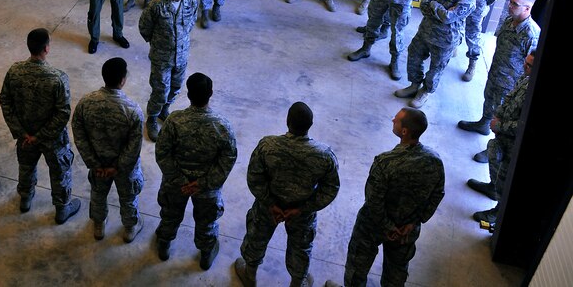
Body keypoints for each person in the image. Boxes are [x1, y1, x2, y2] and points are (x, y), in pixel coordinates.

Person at [326, 108, 444, 287]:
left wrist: (389, 226)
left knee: (357, 267)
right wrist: (415, 222)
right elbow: (437, 194)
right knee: (396, 271)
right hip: (407, 228)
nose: (392, 120)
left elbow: (373, 200)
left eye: (396, 120)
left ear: (404, 131)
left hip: (373, 226)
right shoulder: (434, 161)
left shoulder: (385, 162)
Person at [234, 102, 340, 287]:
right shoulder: (324, 155)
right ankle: (297, 283)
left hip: (269, 207)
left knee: (257, 235)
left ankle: (249, 274)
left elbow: (254, 178)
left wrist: (270, 203)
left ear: (287, 121)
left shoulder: (267, 146)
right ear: (311, 124)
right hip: (301, 212)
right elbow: (330, 188)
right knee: (300, 247)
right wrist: (302, 209)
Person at [155, 72, 237, 271]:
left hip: (176, 185)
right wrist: (203, 183)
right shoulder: (221, 125)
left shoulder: (174, 121)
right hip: (206, 189)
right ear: (211, 93)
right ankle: (206, 254)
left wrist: (180, 179)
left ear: (189, 94)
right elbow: (228, 159)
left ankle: (164, 244)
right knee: (206, 222)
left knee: (170, 214)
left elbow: (162, 152)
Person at [0, 28, 80, 224]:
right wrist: (42, 135)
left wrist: (22, 133)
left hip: (25, 136)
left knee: (26, 166)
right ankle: (62, 209)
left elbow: (5, 101)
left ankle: (26, 198)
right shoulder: (57, 78)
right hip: (52, 139)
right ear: (47, 48)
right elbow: (63, 113)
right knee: (60, 172)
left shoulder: (14, 72)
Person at [71, 57, 145, 242]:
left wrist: (94, 163)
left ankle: (99, 226)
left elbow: (79, 134)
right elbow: (134, 147)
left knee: (98, 194)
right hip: (124, 169)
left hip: (98, 166)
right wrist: (118, 167)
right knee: (128, 197)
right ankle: (129, 228)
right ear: (123, 80)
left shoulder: (85, 104)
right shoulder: (133, 110)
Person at [394, 0, 476, 108]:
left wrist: (435, 4)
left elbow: (448, 18)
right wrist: (440, 9)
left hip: (445, 40)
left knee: (436, 68)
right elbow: (424, 4)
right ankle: (414, 85)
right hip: (425, 31)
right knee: (414, 56)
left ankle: (425, 91)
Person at [458, 0, 539, 138]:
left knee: (503, 114)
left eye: (515, 4)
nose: (510, 6)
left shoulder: (531, 33)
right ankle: (483, 124)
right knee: (488, 100)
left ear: (527, 8)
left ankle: (494, 145)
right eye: (510, 2)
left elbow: (532, 65)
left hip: (510, 83)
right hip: (496, 72)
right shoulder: (509, 20)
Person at [467, 52, 534, 224]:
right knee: (496, 162)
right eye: (525, 62)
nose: (524, 67)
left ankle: (498, 213)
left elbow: (523, 124)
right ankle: (492, 187)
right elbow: (509, 100)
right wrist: (497, 118)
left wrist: (500, 126)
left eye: (529, 65)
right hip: (503, 136)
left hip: (513, 143)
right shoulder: (525, 79)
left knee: (506, 178)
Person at [138, 0, 198, 142]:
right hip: (161, 57)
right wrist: (158, 43)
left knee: (176, 87)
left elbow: (191, 23)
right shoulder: (157, 4)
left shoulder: (191, 3)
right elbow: (144, 27)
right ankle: (152, 117)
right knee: (160, 89)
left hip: (182, 56)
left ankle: (165, 110)